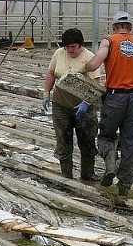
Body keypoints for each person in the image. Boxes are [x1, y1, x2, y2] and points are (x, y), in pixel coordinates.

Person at [83, 11, 133, 197]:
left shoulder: (109, 41)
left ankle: (110, 164)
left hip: (115, 97)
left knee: (105, 136)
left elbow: (94, 65)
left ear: (114, 27)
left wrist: (82, 68)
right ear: (130, 28)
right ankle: (124, 186)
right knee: (130, 143)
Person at [43, 28, 101, 181]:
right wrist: (46, 93)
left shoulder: (89, 57)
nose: (70, 50)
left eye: (73, 46)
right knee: (63, 140)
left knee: (87, 140)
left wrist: (86, 102)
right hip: (61, 105)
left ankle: (88, 173)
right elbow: (51, 73)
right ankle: (66, 173)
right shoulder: (58, 54)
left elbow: (96, 83)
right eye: (67, 47)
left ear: (80, 45)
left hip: (84, 108)